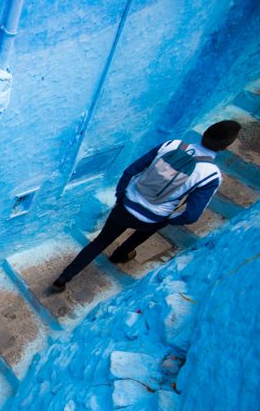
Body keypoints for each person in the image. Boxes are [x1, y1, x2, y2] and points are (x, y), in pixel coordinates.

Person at [52, 120, 242, 292]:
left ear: (205, 132)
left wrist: (121, 196)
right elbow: (191, 215)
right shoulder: (211, 174)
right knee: (138, 237)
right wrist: (167, 218)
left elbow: (132, 170)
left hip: (126, 204)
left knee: (100, 242)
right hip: (153, 218)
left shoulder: (172, 145)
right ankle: (120, 255)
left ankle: (63, 278)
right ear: (225, 147)